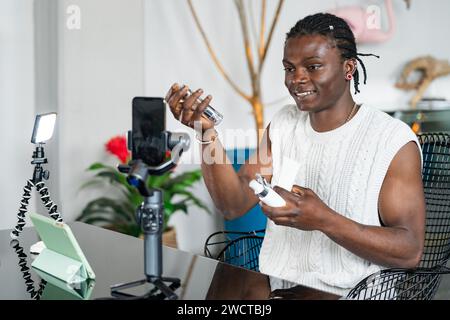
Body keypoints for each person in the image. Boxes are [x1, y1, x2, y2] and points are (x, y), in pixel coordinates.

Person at [164, 12, 425, 296]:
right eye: (289, 68)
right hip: (280, 282)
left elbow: (409, 251)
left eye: (313, 67)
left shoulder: (392, 140)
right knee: (212, 287)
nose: (297, 79)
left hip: (353, 290)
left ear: (348, 68)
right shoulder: (285, 124)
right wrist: (205, 132)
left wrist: (324, 219)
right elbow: (233, 204)